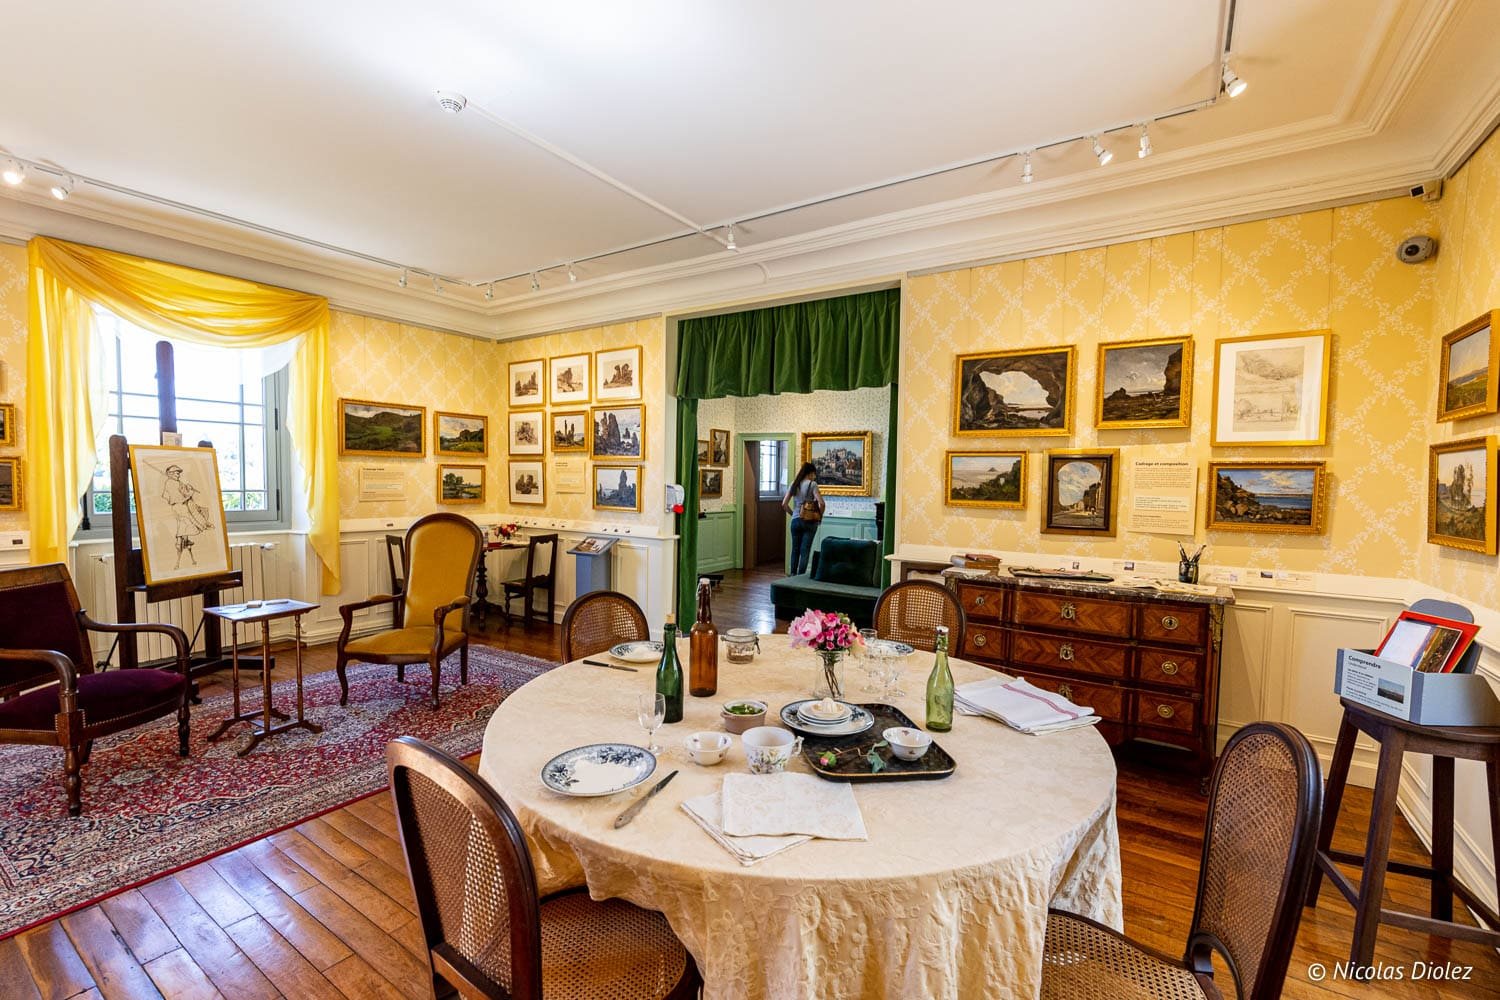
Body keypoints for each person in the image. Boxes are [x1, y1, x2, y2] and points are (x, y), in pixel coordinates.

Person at [782, 462, 826, 576]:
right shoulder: (812, 484)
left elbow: (784, 504)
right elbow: (822, 503)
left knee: (795, 550)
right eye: (814, 474)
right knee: (805, 551)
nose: (814, 477)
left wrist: (794, 514)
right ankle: (800, 577)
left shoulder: (794, 484)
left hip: (795, 521)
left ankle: (792, 575)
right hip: (809, 521)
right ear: (810, 473)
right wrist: (819, 517)